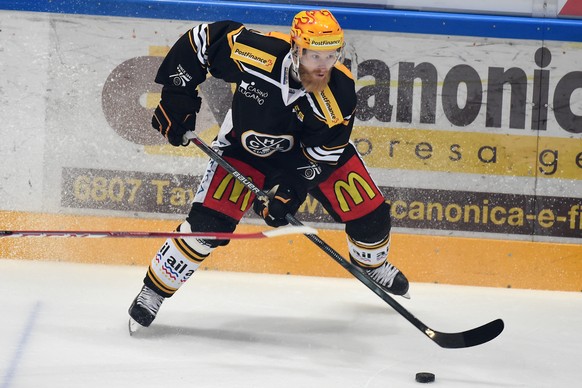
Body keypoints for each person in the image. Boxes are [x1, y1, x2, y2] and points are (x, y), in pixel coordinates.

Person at [128, 9, 409, 329]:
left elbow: (323, 154)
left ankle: (371, 264)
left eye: (331, 55)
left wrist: (289, 191)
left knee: (371, 216)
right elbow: (202, 41)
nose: (322, 65)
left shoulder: (340, 93)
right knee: (205, 227)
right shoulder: (257, 53)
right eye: (314, 54)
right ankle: (153, 292)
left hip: (307, 157)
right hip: (243, 152)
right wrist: (177, 96)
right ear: (296, 48)